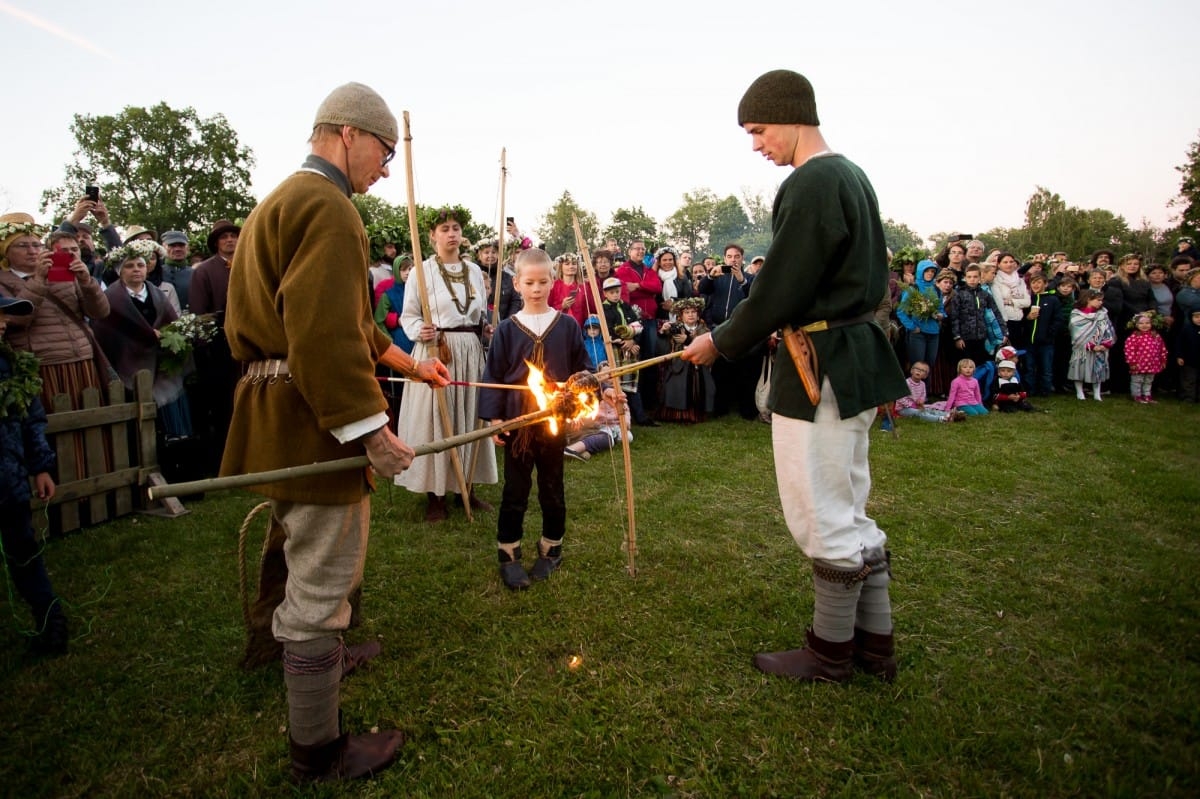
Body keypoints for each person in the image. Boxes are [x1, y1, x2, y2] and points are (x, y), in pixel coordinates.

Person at [220, 82, 450, 782]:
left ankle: (313, 649)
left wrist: (412, 363)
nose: (385, 168)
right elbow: (322, 338)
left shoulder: (287, 198)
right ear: (348, 133)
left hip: (280, 408)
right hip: (311, 415)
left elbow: (350, 321)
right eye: (383, 152)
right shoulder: (328, 206)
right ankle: (316, 747)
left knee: (306, 548)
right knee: (323, 572)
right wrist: (373, 433)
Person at [682, 69, 906, 683]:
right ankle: (873, 646)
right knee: (849, 504)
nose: (756, 145)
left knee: (820, 510)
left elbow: (781, 287)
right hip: (853, 359)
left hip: (822, 367)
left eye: (758, 130)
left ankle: (829, 653)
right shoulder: (851, 174)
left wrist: (720, 340)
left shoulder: (813, 182)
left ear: (791, 116)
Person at [478, 249, 601, 589]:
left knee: (552, 486)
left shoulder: (567, 325)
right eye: (529, 282)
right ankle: (509, 552)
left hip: (555, 421)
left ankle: (551, 547)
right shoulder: (505, 329)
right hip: (519, 422)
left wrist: (587, 392)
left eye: (543, 281)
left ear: (553, 282)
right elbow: (495, 374)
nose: (536, 288)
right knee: (515, 488)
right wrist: (494, 419)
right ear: (516, 283)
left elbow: (583, 371)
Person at [395, 207, 498, 522]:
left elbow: (477, 314)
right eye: (444, 229)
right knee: (437, 420)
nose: (452, 233)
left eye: (455, 228)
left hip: (468, 351)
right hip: (435, 351)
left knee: (468, 416)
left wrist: (485, 328)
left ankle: (465, 486)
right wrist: (419, 330)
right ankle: (435, 494)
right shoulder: (421, 272)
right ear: (432, 236)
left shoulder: (473, 272)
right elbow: (408, 315)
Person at [0, 295, 69, 656]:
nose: (3, 323)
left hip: (8, 480)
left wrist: (40, 465)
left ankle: (51, 624)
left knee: (24, 552)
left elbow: (28, 416)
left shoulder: (10, 364)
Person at [92, 241, 192, 437]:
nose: (136, 270)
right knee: (139, 420)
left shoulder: (157, 294)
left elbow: (171, 323)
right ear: (120, 271)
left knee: (168, 414)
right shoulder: (111, 297)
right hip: (130, 362)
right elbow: (106, 333)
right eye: (129, 266)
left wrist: (169, 336)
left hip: (160, 360)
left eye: (140, 265)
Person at [655, 296, 714, 423]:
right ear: (681, 316)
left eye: (693, 312)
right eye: (687, 312)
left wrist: (687, 340)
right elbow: (663, 344)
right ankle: (677, 414)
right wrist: (662, 331)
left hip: (698, 364)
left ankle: (695, 414)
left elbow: (705, 342)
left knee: (699, 387)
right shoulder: (676, 327)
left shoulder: (703, 328)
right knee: (677, 386)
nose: (691, 315)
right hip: (679, 364)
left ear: (698, 315)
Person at [948, 263, 1006, 366]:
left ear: (980, 277)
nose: (972, 279)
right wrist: (957, 337)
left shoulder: (985, 294)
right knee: (965, 366)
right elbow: (954, 317)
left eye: (975, 277)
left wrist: (1004, 331)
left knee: (980, 365)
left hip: (981, 336)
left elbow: (996, 312)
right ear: (965, 278)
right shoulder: (959, 294)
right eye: (969, 277)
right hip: (965, 337)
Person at [1069, 289, 1115, 402]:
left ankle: (1097, 393)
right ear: (1089, 299)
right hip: (1082, 349)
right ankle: (1079, 392)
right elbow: (1076, 331)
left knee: (1098, 370)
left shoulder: (1103, 314)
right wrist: (1089, 345)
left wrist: (1105, 343)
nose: (1101, 302)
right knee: (1079, 369)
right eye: (1098, 300)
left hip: (1100, 348)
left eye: (1101, 300)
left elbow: (1108, 329)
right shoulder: (1077, 314)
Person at [1024, 273, 1061, 397]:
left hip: (1046, 342)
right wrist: (1027, 317)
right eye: (1033, 282)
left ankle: (1045, 391)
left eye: (1039, 282)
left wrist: (1049, 335)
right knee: (1029, 368)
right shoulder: (1028, 299)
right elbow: (1021, 319)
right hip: (1029, 341)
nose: (1035, 285)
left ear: (1045, 284)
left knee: (1046, 368)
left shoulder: (1052, 300)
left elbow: (1058, 320)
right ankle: (1030, 390)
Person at [893, 361, 961, 423]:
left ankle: (949, 414)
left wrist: (921, 401)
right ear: (911, 371)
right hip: (903, 409)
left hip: (917, 406)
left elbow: (923, 395)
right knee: (920, 413)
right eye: (917, 369)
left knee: (930, 410)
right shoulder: (906, 383)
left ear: (925, 376)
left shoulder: (922, 384)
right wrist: (911, 405)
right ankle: (941, 419)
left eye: (922, 370)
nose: (919, 371)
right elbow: (900, 397)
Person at [1122, 312, 1167, 403]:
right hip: (1139, 364)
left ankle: (1147, 395)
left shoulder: (1156, 336)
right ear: (1136, 324)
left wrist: (1163, 360)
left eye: (1147, 323)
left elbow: (1162, 348)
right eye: (1141, 323)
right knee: (1137, 380)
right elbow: (1129, 351)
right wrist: (1132, 362)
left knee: (1148, 380)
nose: (1144, 325)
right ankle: (1137, 395)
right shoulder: (1134, 337)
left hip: (1152, 364)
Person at [159, 230, 194, 311]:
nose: (177, 249)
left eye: (181, 245)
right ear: (164, 247)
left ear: (187, 248)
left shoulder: (195, 273)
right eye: (172, 245)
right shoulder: (157, 273)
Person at [1176, 308, 1200, 402]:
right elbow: (1179, 344)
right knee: (1189, 380)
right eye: (1196, 317)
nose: (1199, 319)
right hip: (1189, 361)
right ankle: (1188, 397)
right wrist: (1179, 356)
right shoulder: (1186, 329)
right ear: (1191, 317)